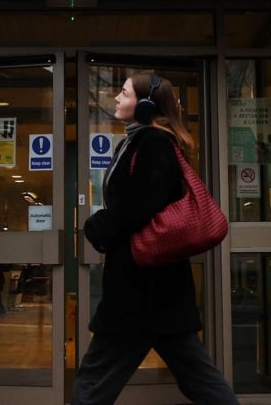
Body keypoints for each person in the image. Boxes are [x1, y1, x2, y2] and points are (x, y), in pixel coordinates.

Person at [72, 73, 237, 405]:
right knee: (200, 382)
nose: (116, 99)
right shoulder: (136, 142)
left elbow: (138, 204)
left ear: (146, 104)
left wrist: (97, 226)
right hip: (160, 293)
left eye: (124, 93)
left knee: (93, 380)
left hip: (140, 291)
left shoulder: (154, 143)